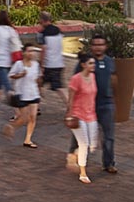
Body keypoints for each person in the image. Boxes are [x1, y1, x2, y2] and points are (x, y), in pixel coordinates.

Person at [68, 33, 118, 174]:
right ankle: (73, 155)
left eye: (101, 44)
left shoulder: (109, 61)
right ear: (91, 46)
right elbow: (75, 83)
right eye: (95, 44)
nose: (98, 47)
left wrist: (115, 99)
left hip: (106, 103)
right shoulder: (85, 63)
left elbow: (114, 79)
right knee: (80, 134)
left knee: (109, 135)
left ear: (105, 46)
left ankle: (108, 163)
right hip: (87, 106)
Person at [66, 53, 99, 184]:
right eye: (91, 63)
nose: (93, 65)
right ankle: (83, 172)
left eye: (94, 63)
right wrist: (69, 113)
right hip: (78, 114)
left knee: (93, 146)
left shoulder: (93, 77)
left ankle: (74, 155)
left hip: (91, 114)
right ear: (83, 65)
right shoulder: (76, 79)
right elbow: (71, 98)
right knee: (84, 144)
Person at [3, 43, 41, 148]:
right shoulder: (19, 64)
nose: (32, 53)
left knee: (33, 117)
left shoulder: (36, 64)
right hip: (22, 93)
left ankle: (28, 139)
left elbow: (37, 78)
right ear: (24, 53)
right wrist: (20, 75)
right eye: (29, 51)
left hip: (33, 93)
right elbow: (11, 75)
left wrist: (40, 84)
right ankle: (11, 126)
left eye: (33, 51)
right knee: (24, 118)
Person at [38, 11, 67, 107]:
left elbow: (44, 50)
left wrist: (41, 64)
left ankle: (35, 105)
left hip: (49, 64)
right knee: (57, 86)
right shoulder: (58, 31)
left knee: (38, 83)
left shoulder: (43, 33)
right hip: (59, 63)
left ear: (42, 20)